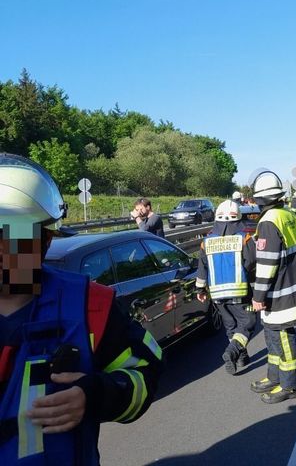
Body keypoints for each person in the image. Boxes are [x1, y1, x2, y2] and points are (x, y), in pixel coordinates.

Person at [0, 153, 162, 465]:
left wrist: (96, 395)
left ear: (44, 241)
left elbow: (146, 373)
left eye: (10, 235)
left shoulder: (90, 306)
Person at [247, 169, 296, 404]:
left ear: (261, 198)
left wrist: (258, 295)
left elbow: (267, 263)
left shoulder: (268, 221)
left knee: (282, 336)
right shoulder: (288, 215)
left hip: (279, 291)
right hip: (290, 285)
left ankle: (289, 385)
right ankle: (274, 376)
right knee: (272, 334)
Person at [196, 200, 257, 376]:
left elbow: (202, 269)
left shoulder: (206, 242)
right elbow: (251, 261)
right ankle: (232, 351)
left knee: (230, 325)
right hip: (240, 292)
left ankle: (241, 357)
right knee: (248, 321)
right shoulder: (244, 238)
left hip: (217, 295)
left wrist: (200, 290)